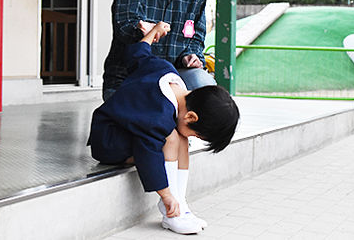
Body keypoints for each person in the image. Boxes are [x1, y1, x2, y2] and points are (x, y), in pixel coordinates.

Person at [87, 22, 240, 234]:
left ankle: (181, 203)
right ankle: (171, 209)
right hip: (108, 140)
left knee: (181, 138)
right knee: (172, 138)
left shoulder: (166, 71)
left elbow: (138, 55)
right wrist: (165, 195)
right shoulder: (158, 117)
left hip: (125, 129)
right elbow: (147, 154)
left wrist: (153, 33)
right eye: (197, 133)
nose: (194, 137)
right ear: (191, 116)